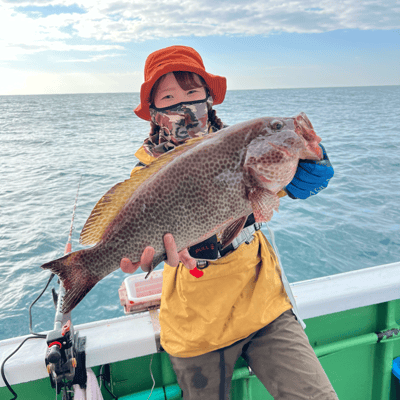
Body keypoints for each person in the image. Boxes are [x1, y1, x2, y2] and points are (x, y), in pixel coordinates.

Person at [120, 45, 337, 400]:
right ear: (154, 112)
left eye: (192, 93)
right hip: (195, 321)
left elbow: (290, 184)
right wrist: (143, 255)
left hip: (263, 301)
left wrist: (312, 161)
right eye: (169, 98)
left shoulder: (245, 145)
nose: (184, 106)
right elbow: (136, 235)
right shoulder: (147, 174)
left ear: (209, 98)